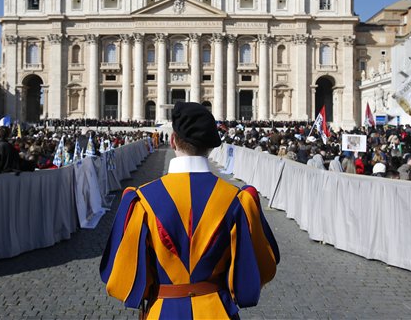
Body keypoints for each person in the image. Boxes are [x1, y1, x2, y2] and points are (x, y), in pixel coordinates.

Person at [100, 102, 279, 319]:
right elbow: (261, 268)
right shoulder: (238, 199)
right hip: (218, 310)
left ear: (173, 140)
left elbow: (119, 276)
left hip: (162, 310)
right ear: (211, 147)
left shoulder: (142, 200)